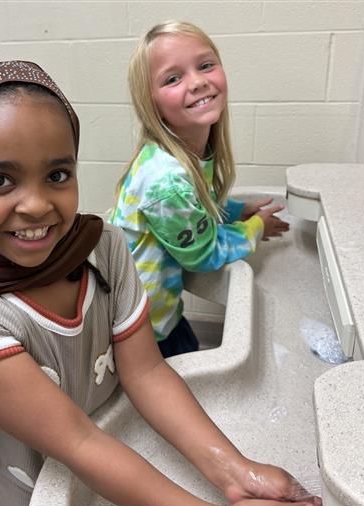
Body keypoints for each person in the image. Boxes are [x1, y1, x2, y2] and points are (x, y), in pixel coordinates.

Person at [0, 61, 319, 506]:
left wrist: (235, 471)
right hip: (42, 501)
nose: (36, 205)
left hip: (128, 465)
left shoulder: (103, 248)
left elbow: (145, 373)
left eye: (57, 173)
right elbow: (77, 441)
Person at [110, 21, 290, 357]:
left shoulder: (186, 152)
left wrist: (235, 211)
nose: (197, 82)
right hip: (141, 330)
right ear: (152, 102)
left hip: (161, 312)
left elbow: (194, 208)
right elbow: (203, 254)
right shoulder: (166, 180)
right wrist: (255, 227)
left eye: (205, 65)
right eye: (173, 78)